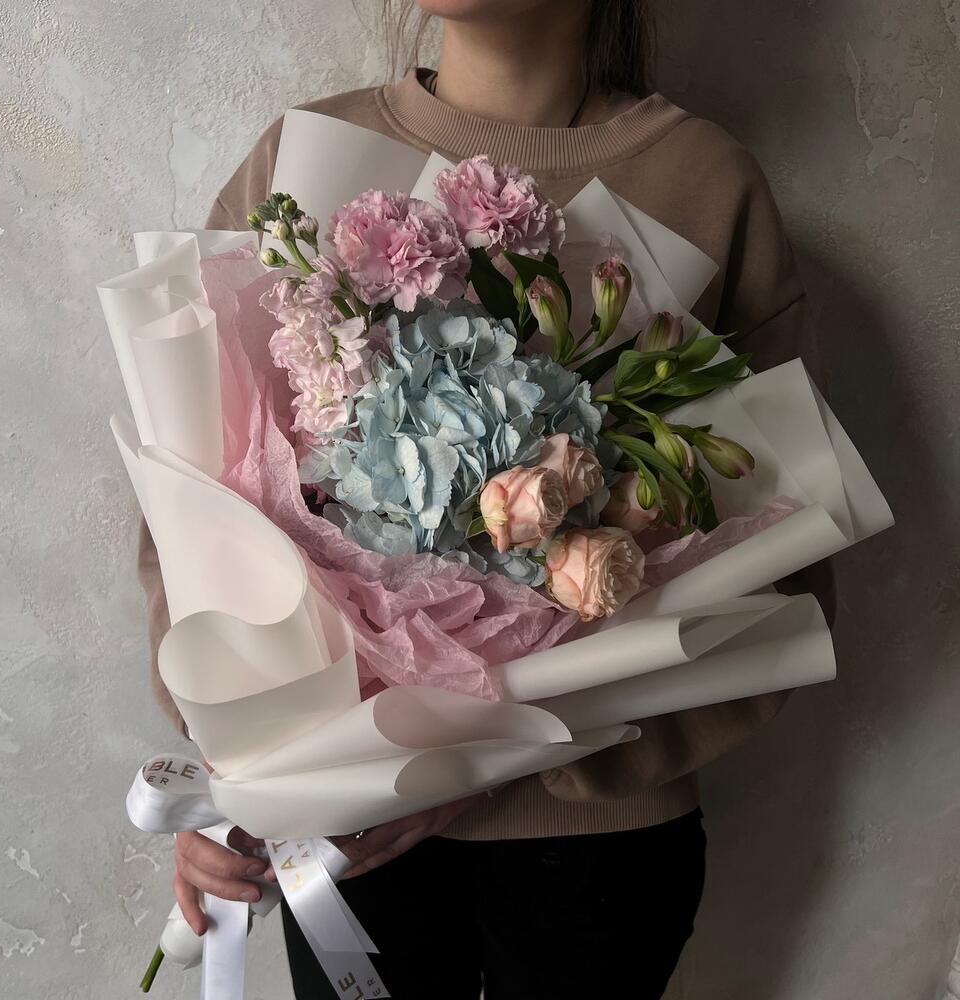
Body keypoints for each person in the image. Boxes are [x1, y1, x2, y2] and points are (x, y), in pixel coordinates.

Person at [139, 1, 835, 996]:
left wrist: (469, 760)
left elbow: (782, 558)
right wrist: (236, 767)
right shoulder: (301, 163)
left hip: (593, 847)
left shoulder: (705, 183)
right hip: (345, 839)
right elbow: (193, 511)